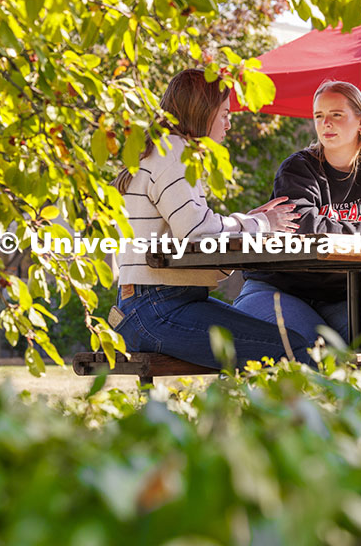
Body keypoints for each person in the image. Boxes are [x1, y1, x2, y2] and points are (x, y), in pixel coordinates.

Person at [111, 69, 314, 369]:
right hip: (156, 308)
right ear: (201, 112)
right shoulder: (173, 151)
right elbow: (198, 235)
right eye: (224, 115)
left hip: (148, 305)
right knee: (290, 348)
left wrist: (246, 222)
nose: (229, 125)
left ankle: (244, 415)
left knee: (277, 347)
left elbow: (195, 230)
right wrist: (262, 224)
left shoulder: (162, 149)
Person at [234, 80, 361, 346]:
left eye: (336, 115)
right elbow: (304, 225)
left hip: (342, 298)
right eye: (319, 116)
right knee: (308, 346)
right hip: (278, 289)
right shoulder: (299, 169)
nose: (326, 123)